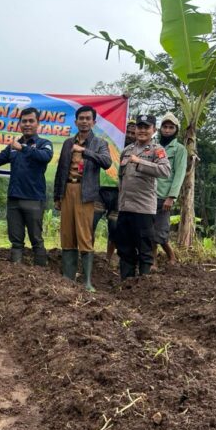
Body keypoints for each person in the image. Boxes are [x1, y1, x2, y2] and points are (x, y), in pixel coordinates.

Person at [53, 106, 112, 291]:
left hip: (85, 193)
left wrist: (84, 152)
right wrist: (57, 195)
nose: (84, 121)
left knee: (85, 236)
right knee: (67, 234)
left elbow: (107, 162)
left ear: (94, 122)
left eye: (88, 118)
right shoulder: (67, 143)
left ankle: (86, 282)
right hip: (67, 190)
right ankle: (67, 278)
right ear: (76, 121)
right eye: (81, 118)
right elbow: (60, 170)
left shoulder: (99, 143)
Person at [0, 107, 54, 265]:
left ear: (37, 123)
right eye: (24, 121)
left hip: (33, 199)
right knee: (16, 240)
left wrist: (24, 148)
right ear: (19, 124)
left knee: (36, 239)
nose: (27, 124)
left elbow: (45, 157)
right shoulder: (13, 145)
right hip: (14, 199)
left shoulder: (44, 143)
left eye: (31, 121)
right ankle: (15, 274)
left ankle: (42, 274)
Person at [115, 114, 170, 280]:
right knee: (124, 248)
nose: (142, 131)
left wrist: (140, 162)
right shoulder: (127, 150)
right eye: (140, 127)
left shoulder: (157, 150)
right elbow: (120, 176)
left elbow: (165, 171)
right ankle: (126, 282)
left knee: (144, 248)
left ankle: (144, 284)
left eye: (146, 127)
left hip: (143, 208)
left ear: (153, 130)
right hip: (125, 207)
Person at [92, 118, 135, 265]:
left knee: (114, 227)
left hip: (120, 192)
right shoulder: (109, 144)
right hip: (100, 188)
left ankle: (108, 258)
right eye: (127, 132)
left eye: (132, 133)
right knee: (91, 222)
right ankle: (88, 255)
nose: (129, 135)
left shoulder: (136, 151)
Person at [153, 112, 188, 267]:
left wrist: (171, 196)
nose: (167, 130)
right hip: (149, 193)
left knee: (159, 230)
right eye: (165, 127)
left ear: (176, 130)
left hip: (164, 194)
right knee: (150, 229)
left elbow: (179, 174)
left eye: (171, 127)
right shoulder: (154, 146)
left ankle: (166, 259)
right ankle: (161, 260)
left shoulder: (179, 150)